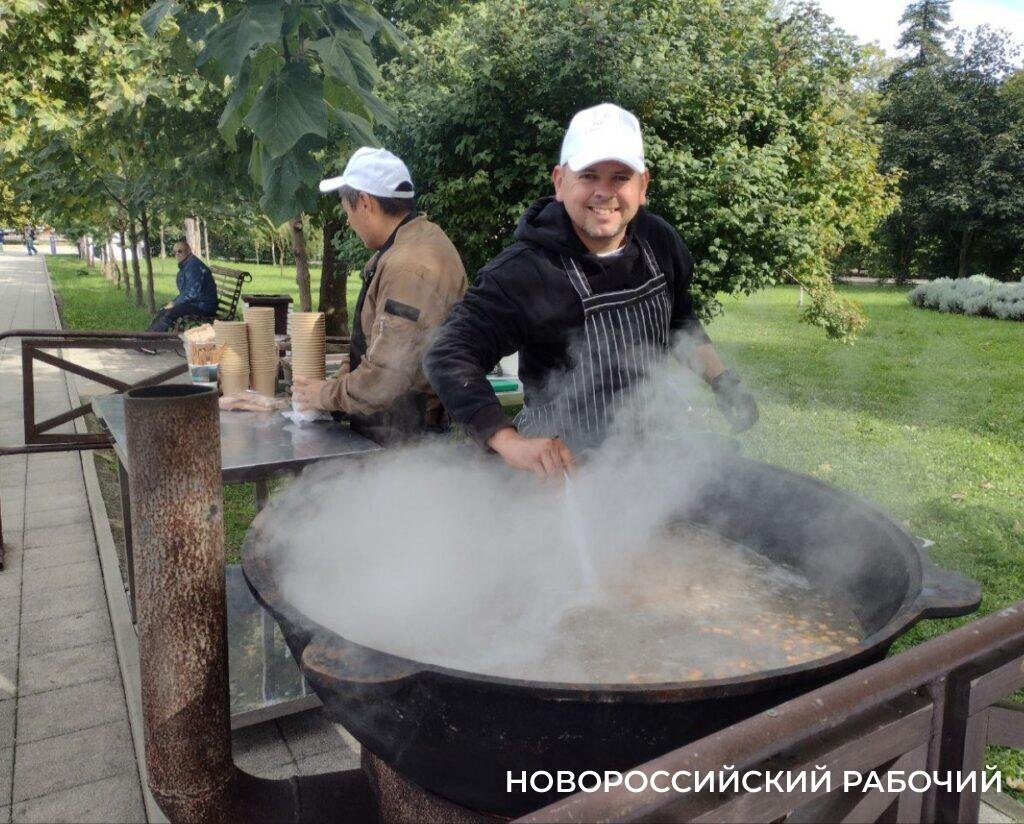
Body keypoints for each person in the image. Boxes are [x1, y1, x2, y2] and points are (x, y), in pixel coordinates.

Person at [424, 103, 758, 478]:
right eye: (588, 175)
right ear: (559, 182)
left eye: (620, 177)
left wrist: (721, 380)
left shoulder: (658, 240)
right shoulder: (521, 273)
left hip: (649, 457)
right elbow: (448, 354)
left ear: (642, 186)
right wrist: (508, 440)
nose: (605, 192)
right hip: (561, 472)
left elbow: (678, 319)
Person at [291, 147, 468, 446]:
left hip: (405, 437)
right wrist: (346, 377)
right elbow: (384, 345)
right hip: (395, 426)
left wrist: (323, 394)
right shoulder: (416, 240)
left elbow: (386, 379)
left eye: (348, 212)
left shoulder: (409, 267)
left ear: (365, 202)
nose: (348, 222)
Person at [146, 240, 218, 332]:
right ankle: (149, 336)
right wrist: (173, 303)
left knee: (169, 311)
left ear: (188, 251)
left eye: (180, 251)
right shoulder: (187, 265)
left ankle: (150, 339)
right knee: (164, 309)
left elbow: (190, 293)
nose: (177, 254)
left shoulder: (194, 267)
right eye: (174, 252)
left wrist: (174, 303)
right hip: (197, 303)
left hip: (204, 306)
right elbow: (187, 292)